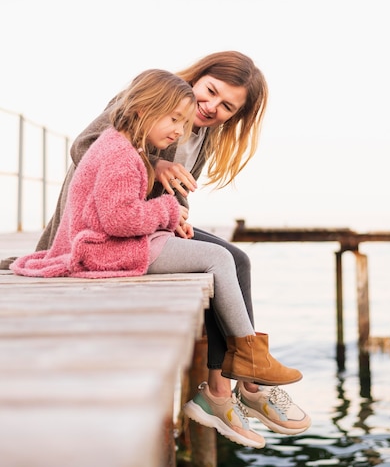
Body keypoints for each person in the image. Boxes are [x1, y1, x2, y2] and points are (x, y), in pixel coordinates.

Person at [32, 52, 311, 445]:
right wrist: (153, 164)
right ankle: (239, 388)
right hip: (111, 228)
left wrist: (179, 214)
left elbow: (179, 193)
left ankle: (232, 387)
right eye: (210, 91)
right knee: (217, 261)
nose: (211, 107)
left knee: (237, 260)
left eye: (226, 106)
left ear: (236, 116)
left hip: (148, 223)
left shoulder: (206, 134)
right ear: (198, 78)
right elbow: (86, 147)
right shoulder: (151, 99)